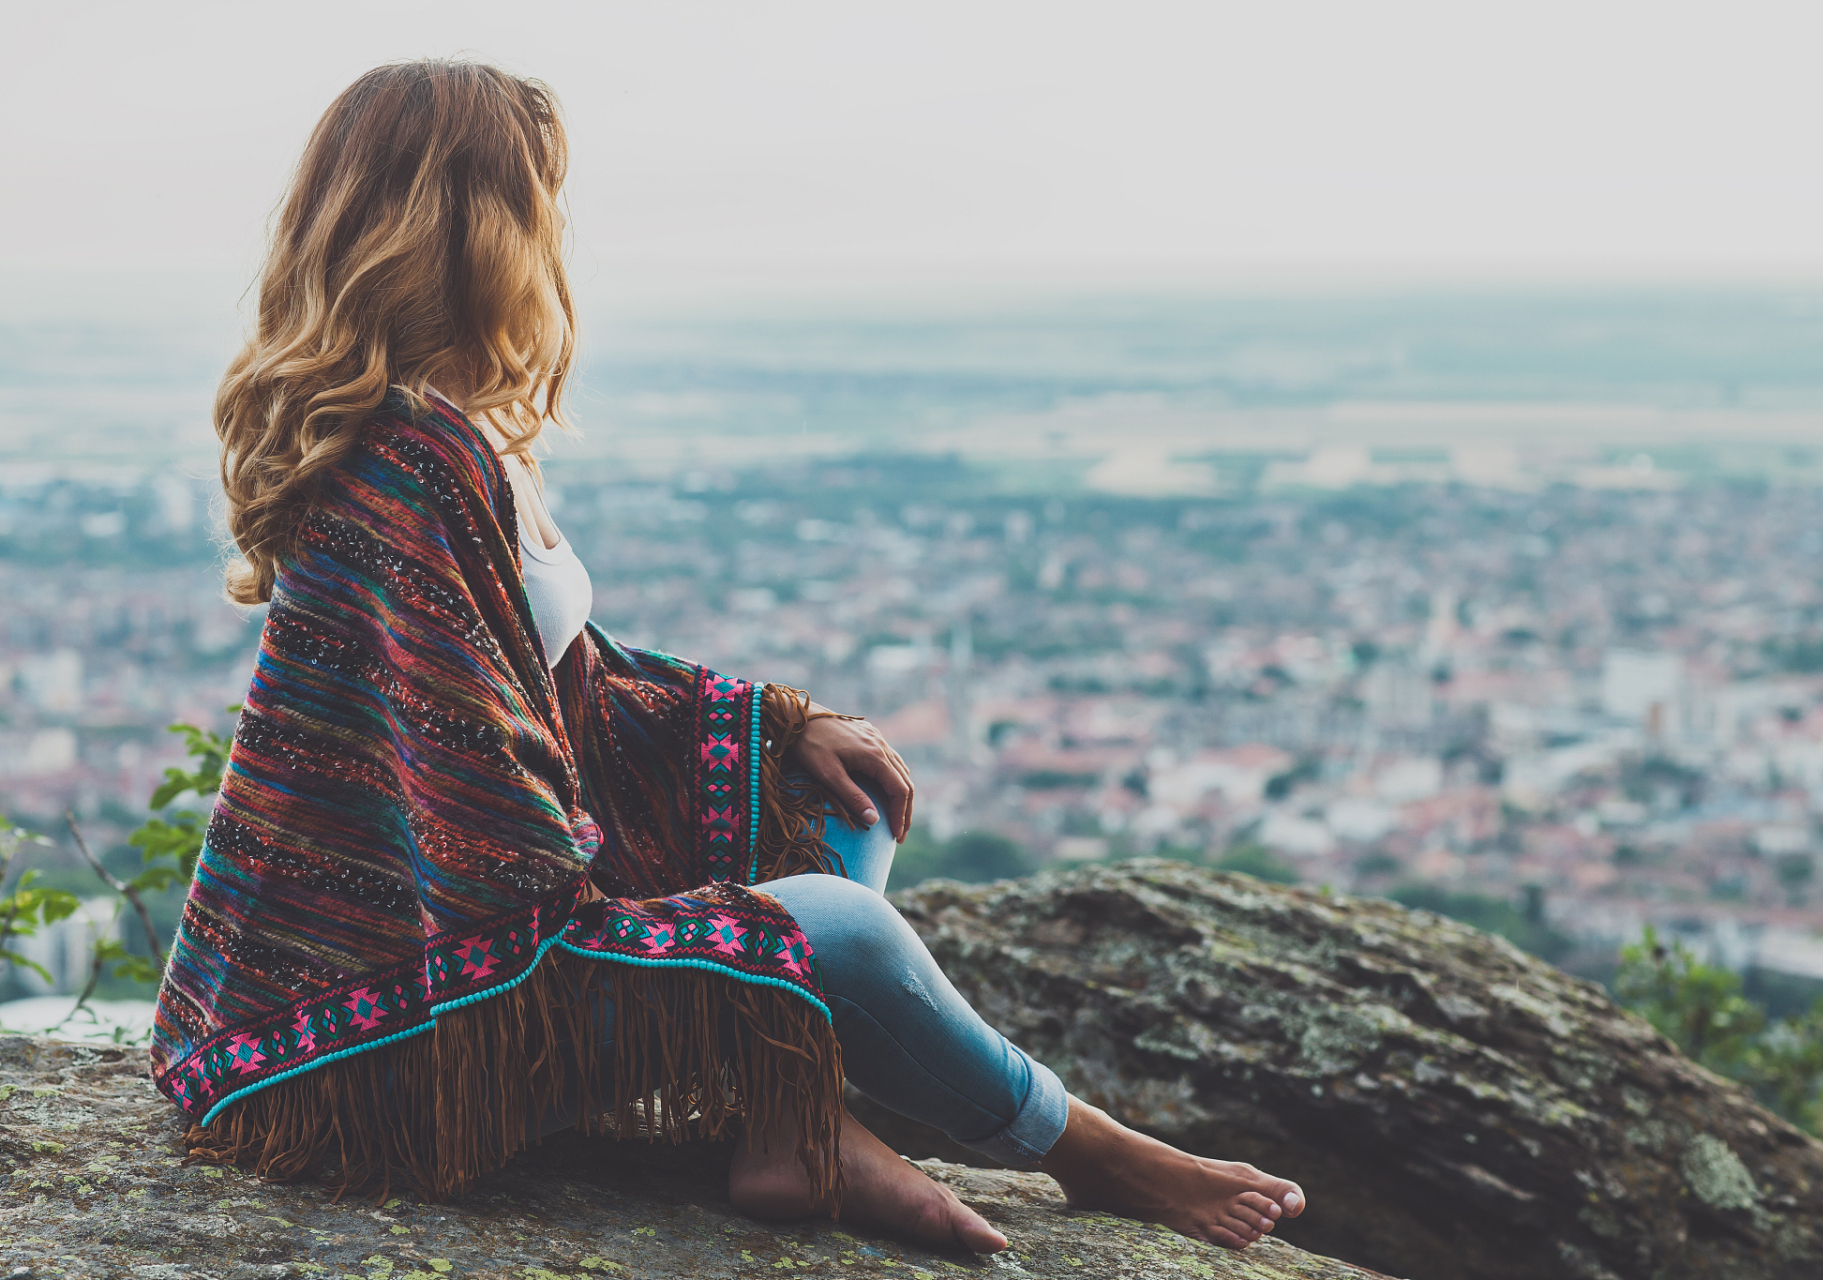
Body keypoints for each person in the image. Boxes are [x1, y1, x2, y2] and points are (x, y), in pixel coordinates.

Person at [152, 59, 1305, 1254]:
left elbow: (568, 674)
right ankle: (1096, 1152)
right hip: (381, 1021)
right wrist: (680, 923)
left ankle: (788, 1119)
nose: (560, 232)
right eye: (542, 199)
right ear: (480, 226)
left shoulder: (461, 438)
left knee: (831, 797)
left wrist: (775, 725)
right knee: (840, 935)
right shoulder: (401, 466)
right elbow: (478, 811)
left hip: (478, 931)